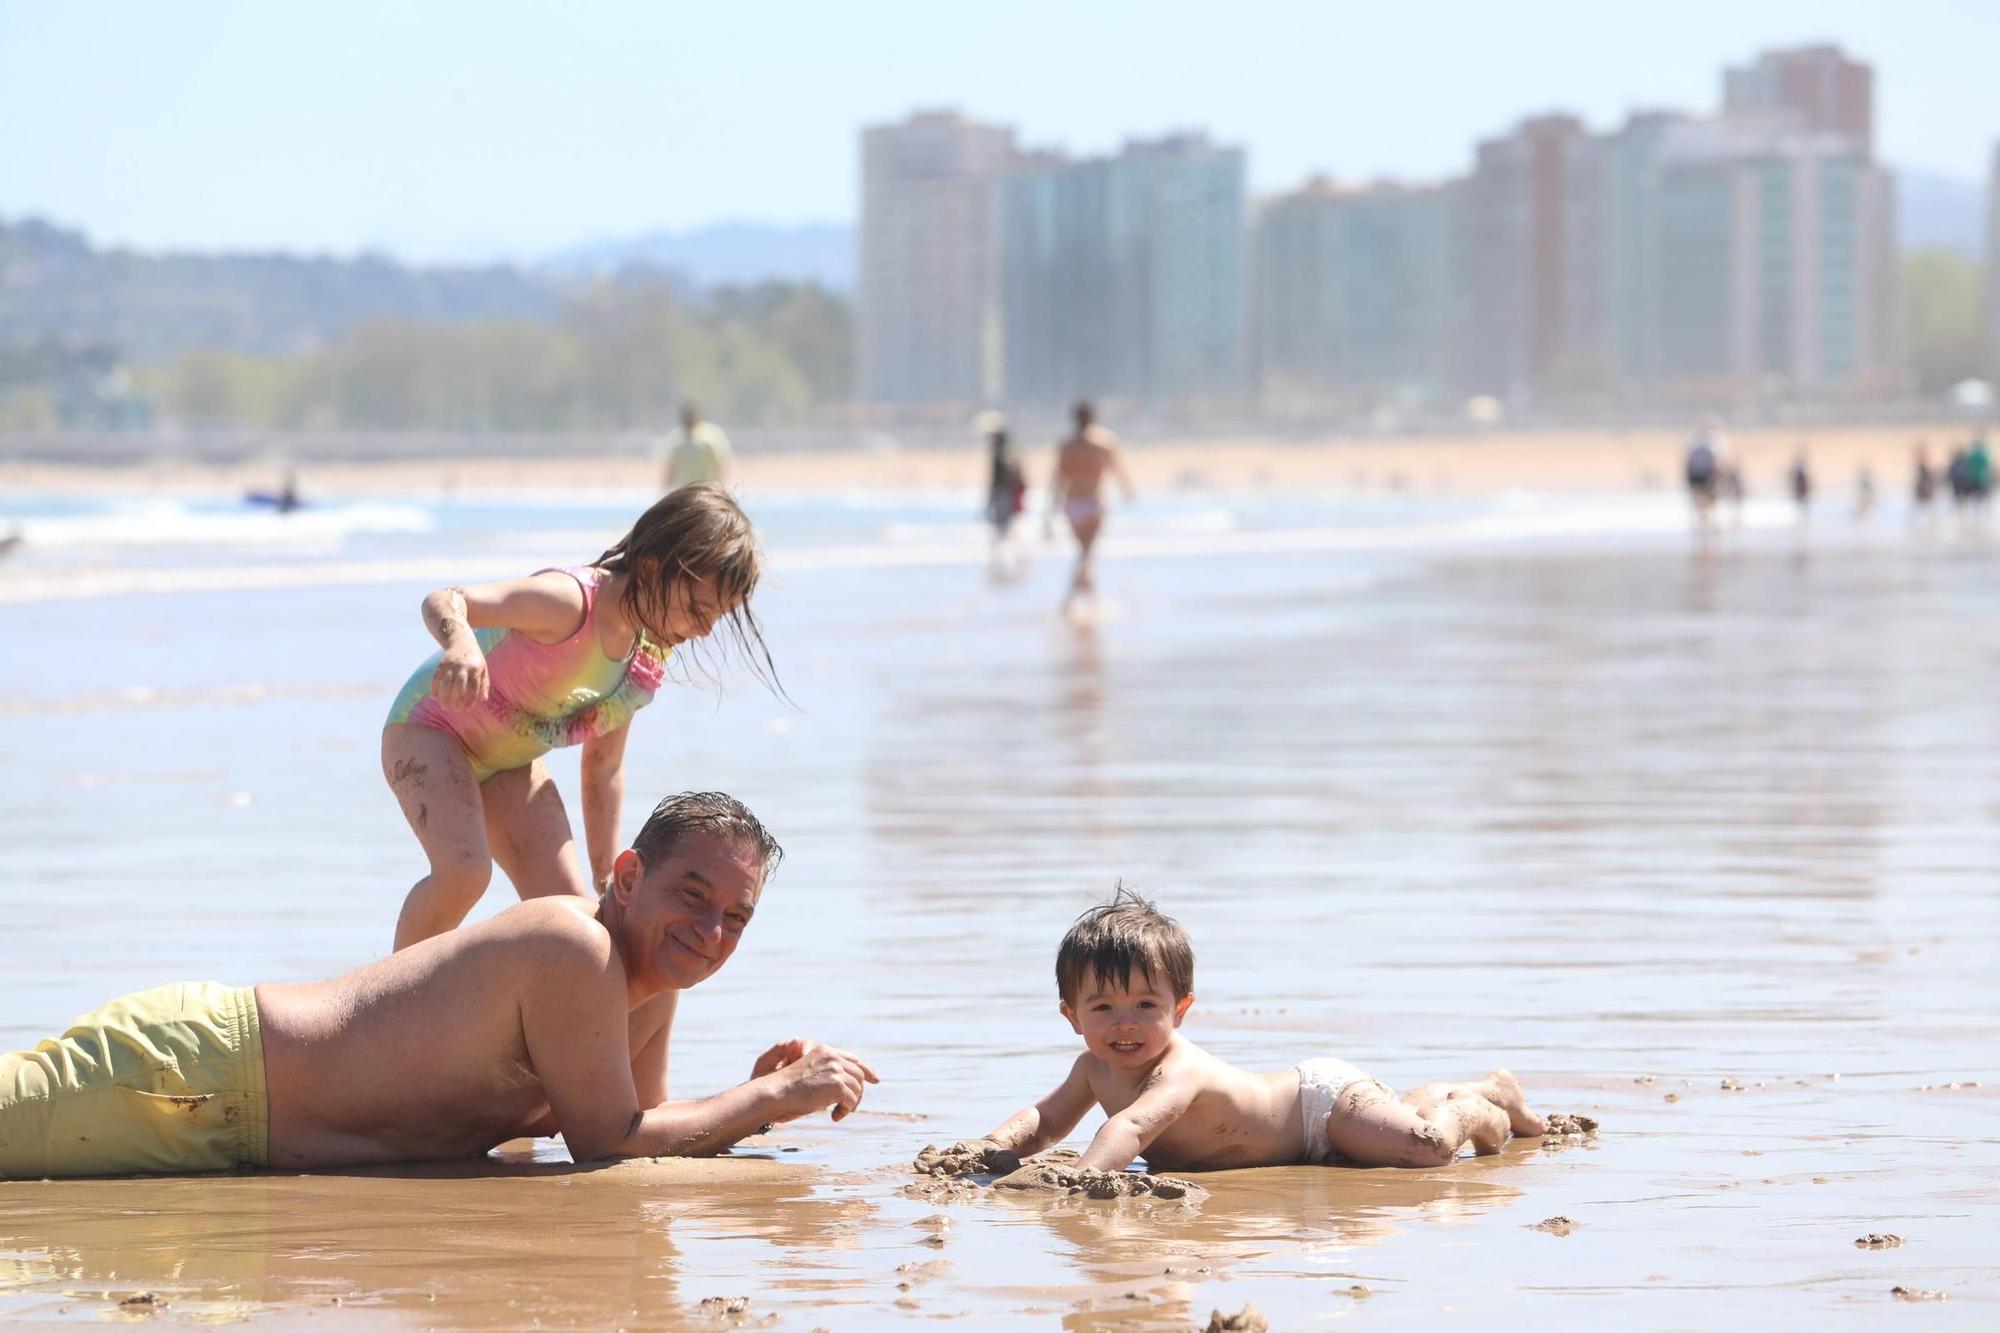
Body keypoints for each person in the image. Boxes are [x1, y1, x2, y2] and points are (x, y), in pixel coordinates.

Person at [0, 793, 880, 1179]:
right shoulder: (575, 945)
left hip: (230, 1128)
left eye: (737, 917)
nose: (712, 930)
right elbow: (605, 1143)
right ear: (626, 874)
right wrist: (766, 1094)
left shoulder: (646, 986)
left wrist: (751, 1099)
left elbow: (638, 1132)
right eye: (695, 896)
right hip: (200, 1071)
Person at [383, 484, 775, 951]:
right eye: (698, 609)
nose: (704, 629)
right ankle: (394, 1003)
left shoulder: (641, 658)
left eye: (717, 617)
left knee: (578, 923)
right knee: (465, 871)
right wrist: (462, 646)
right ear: (652, 568)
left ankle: (527, 1016)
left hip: (508, 761)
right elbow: (447, 600)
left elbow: (603, 769)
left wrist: (609, 877)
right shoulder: (570, 603)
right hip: (430, 728)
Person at [950, 891, 1546, 1177]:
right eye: (1102, 1007)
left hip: (1320, 1106)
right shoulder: (1092, 1070)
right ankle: (1441, 1095)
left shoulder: (1176, 1070)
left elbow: (1130, 1125)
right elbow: (1047, 1120)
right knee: (1393, 1136)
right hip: (1307, 1139)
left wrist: (1085, 1175)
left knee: (1429, 1151)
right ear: (1072, 1017)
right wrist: (988, 1148)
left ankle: (1477, 1103)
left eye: (1145, 1005)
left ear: (1180, 1010)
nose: (1124, 1023)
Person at [1047, 401, 1135, 615]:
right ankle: (1068, 602)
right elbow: (1117, 471)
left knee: (1084, 554)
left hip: (1072, 504)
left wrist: (1050, 510)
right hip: (1093, 504)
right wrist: (1127, 491)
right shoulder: (1103, 443)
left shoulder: (1067, 445)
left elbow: (1058, 480)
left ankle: (1092, 603)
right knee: (1085, 555)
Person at [984, 420, 1029, 580]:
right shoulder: (1012, 452)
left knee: (1002, 532)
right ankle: (1018, 562)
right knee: (1008, 531)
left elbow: (994, 480)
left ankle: (1001, 564)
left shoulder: (999, 454)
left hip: (1002, 497)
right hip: (1009, 496)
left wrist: (989, 500)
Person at [659, 403, 735, 493]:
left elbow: (721, 465)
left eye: (690, 417)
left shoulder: (710, 437)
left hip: (707, 491)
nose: (689, 420)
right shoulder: (677, 440)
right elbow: (671, 470)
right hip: (686, 491)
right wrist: (664, 492)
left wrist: (720, 488)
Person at [1684, 419, 1722, 533]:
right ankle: (1710, 523)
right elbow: (1715, 462)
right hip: (1706, 475)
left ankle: (1702, 523)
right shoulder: (1711, 444)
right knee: (1710, 499)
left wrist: (1687, 477)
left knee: (1699, 499)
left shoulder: (1692, 444)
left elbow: (1687, 462)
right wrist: (1716, 476)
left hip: (1695, 475)